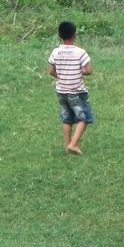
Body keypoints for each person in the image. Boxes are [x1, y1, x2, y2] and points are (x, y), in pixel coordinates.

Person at [48, 21, 94, 155]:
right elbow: (89, 70)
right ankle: (74, 144)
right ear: (75, 35)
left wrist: (62, 75)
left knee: (67, 118)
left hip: (61, 91)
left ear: (59, 36)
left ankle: (68, 145)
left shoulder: (56, 52)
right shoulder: (80, 52)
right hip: (77, 92)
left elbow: (51, 71)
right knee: (83, 118)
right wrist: (79, 71)